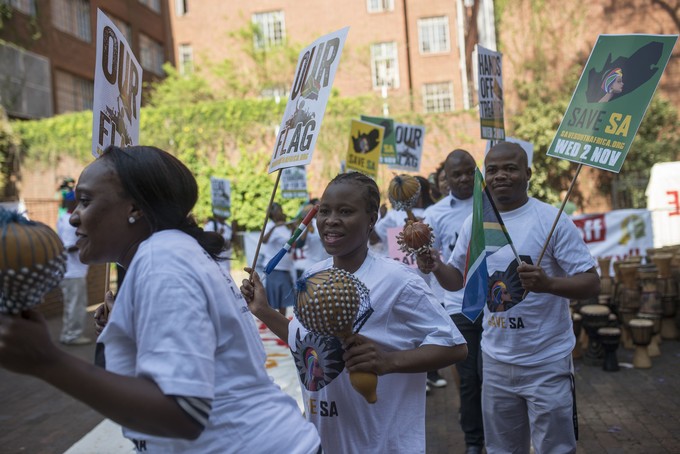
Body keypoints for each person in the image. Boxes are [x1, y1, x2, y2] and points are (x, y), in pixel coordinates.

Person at [0, 145, 321, 453]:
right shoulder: (175, 252)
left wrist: (47, 361)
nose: (74, 217)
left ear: (136, 208)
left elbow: (183, 414)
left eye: (85, 201)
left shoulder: (163, 258)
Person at [241, 171, 467, 454]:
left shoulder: (398, 280)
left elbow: (456, 347)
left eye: (345, 211)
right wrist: (262, 310)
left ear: (371, 219)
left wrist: (389, 361)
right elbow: (307, 343)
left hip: (381, 444)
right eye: (325, 211)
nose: (331, 219)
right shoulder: (313, 276)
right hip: (322, 441)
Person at [421, 142, 600, 454]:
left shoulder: (551, 220)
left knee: (555, 448)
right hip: (496, 361)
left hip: (547, 361)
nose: (500, 175)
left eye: (510, 168)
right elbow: (457, 281)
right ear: (485, 177)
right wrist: (436, 266)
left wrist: (549, 284)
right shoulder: (475, 222)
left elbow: (592, 282)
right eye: (492, 170)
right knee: (502, 449)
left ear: (527, 174)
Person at [420, 149, 483, 453]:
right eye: (455, 174)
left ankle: (500, 433)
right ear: (445, 178)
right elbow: (426, 260)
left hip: (498, 303)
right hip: (457, 303)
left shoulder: (494, 204)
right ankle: (474, 442)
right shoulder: (434, 214)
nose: (463, 179)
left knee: (492, 377)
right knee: (469, 378)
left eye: (469, 171)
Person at [56, 189, 92, 346]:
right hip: (73, 271)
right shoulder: (72, 223)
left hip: (68, 271)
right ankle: (72, 335)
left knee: (71, 305)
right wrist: (85, 242)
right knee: (76, 305)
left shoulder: (63, 218)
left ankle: (67, 334)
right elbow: (69, 246)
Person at [261, 202, 296, 316]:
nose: (281, 212)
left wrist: (292, 229)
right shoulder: (270, 225)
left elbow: (290, 246)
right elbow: (264, 240)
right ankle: (272, 320)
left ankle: (281, 321)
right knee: (274, 299)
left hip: (285, 267)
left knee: (284, 300)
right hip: (275, 267)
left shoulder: (285, 226)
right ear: (273, 213)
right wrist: (275, 226)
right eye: (279, 210)